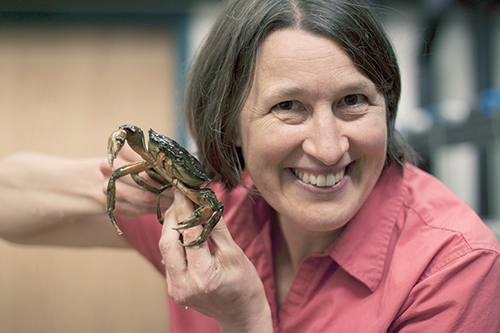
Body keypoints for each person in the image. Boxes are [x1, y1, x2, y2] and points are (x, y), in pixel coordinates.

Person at [1, 0, 499, 332]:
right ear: (230, 125)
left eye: (353, 100)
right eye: (289, 106)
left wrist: (245, 320)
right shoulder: (214, 204)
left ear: (387, 108)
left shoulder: (458, 265)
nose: (328, 148)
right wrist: (120, 185)